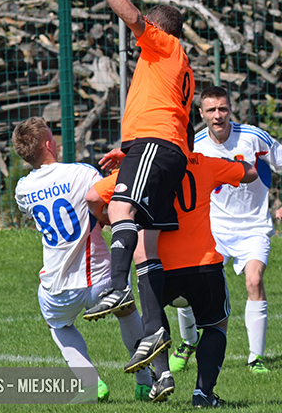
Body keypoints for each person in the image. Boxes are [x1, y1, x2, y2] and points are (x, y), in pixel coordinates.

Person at [79, 0, 195, 380]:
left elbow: (132, 17)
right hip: (163, 151)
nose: (136, 40)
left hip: (154, 145)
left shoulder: (164, 45)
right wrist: (130, 152)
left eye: (144, 32)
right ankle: (157, 343)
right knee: (146, 248)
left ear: (157, 30)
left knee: (118, 207)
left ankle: (115, 287)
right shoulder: (176, 67)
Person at [90, 148, 257, 405]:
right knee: (215, 325)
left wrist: (115, 221)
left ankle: (163, 375)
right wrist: (230, 162)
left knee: (154, 321)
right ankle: (203, 393)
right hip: (203, 265)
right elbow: (251, 172)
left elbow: (93, 197)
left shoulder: (138, 169)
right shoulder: (205, 163)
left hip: (157, 266)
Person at [11, 117, 153, 402]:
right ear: (49, 144)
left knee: (58, 325)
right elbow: (108, 202)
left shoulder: (22, 189)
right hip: (101, 275)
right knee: (126, 312)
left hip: (58, 285)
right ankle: (144, 382)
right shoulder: (82, 173)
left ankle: (91, 384)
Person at [169, 86, 282, 375]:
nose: (218, 115)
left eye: (223, 109)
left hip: (253, 227)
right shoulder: (196, 145)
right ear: (201, 113)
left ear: (230, 110)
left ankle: (256, 358)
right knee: (190, 287)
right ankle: (188, 343)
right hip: (213, 229)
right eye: (211, 110)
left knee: (254, 280)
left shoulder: (252, 137)